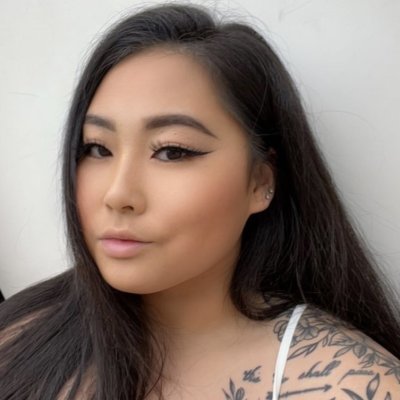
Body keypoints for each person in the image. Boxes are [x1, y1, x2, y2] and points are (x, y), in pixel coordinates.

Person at [0, 3, 399, 399]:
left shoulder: (352, 384)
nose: (118, 194)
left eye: (173, 151)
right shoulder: (18, 336)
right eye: (97, 149)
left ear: (260, 181)